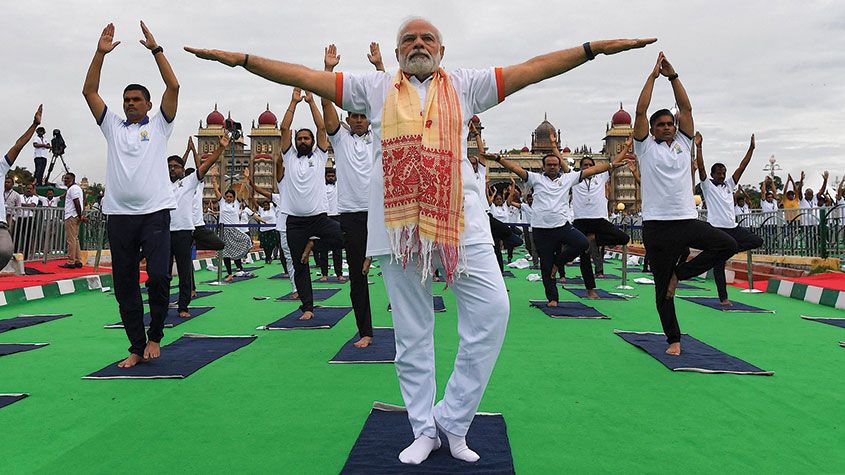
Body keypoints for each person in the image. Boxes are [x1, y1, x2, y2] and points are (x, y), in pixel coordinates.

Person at [186, 18, 653, 464]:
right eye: (409, 39)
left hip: (461, 226)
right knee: (412, 334)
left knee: (493, 312)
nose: (418, 45)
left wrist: (592, 50)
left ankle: (452, 418)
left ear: (442, 50)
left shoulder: (466, 85)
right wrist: (243, 60)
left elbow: (531, 70)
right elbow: (308, 78)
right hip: (397, 229)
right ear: (396, 53)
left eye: (428, 38)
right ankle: (423, 431)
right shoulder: (376, 89)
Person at [83, 22, 179, 368]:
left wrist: (157, 50)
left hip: (155, 212)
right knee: (124, 283)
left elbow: (174, 85)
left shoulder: (159, 125)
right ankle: (136, 346)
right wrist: (100, 54)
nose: (130, 104)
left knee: (157, 276)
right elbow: (89, 91)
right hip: (119, 215)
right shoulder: (113, 126)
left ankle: (155, 336)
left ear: (148, 104)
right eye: (126, 100)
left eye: (137, 99)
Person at [634, 52, 737, 356]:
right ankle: (673, 339)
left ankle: (680, 274)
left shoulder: (684, 142)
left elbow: (687, 108)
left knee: (726, 245)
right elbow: (640, 111)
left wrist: (673, 76)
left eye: (670, 123)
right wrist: (652, 77)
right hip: (656, 225)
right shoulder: (645, 148)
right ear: (653, 130)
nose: (667, 127)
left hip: (686, 220)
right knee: (661, 292)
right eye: (661, 124)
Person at [493, 139, 633, 303]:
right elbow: (516, 169)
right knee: (545, 265)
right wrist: (499, 160)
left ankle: (558, 263)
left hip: (562, 227)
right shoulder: (536, 179)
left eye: (555, 164)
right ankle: (553, 298)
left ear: (559, 166)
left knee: (582, 243)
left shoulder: (568, 178)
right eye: (549, 165)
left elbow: (596, 169)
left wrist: (612, 164)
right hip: (541, 229)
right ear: (543, 167)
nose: (552, 167)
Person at [321, 43, 378, 347]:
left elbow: (390, 103)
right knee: (357, 276)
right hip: (353, 215)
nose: (358, 120)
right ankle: (365, 331)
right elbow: (328, 110)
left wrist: (379, 67)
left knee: (401, 273)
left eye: (362, 116)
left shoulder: (378, 136)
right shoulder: (340, 140)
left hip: (382, 213)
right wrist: (328, 72)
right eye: (353, 115)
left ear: (369, 118)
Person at [277, 87, 343, 320]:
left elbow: (322, 127)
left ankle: (314, 245)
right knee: (299, 264)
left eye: (307, 138)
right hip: (294, 222)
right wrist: (294, 102)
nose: (303, 141)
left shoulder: (319, 155)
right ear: (295, 141)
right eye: (300, 138)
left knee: (343, 237)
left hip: (319, 219)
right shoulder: (289, 156)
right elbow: (283, 128)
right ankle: (307, 307)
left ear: (313, 142)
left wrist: (312, 101)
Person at [695, 132, 762, 306]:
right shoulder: (707, 186)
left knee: (757, 240)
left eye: (723, 173)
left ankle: (729, 250)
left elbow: (742, 166)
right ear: (713, 174)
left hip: (732, 228)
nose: (722, 176)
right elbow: (701, 168)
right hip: (717, 229)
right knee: (718, 266)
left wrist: (751, 149)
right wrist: (699, 146)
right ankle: (723, 298)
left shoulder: (729, 185)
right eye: (718, 173)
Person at [168, 133, 227, 317]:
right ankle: (161, 304)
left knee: (185, 271)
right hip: (164, 233)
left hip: (184, 232)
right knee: (163, 273)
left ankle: (183, 307)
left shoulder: (189, 182)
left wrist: (221, 148)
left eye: (175, 167)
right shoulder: (160, 184)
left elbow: (205, 164)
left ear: (182, 169)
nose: (171, 170)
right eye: (169, 167)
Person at [571, 153, 631, 298]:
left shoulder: (601, 177)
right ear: (580, 169)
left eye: (591, 165)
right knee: (584, 258)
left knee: (623, 238)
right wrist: (554, 146)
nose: (588, 167)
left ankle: (594, 238)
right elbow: (561, 161)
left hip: (599, 219)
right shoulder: (574, 178)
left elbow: (614, 162)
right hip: (581, 221)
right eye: (585, 165)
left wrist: (627, 148)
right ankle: (590, 290)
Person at [0, 105, 42, 270]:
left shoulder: (1, 167)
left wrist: (34, 125)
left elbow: (18, 145)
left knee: (5, 249)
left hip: (1, 227)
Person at [250, 172, 298, 297]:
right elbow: (261, 191)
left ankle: (302, 287)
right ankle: (295, 289)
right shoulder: (279, 197)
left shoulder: (300, 194)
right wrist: (251, 183)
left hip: (299, 229)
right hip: (283, 230)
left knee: (300, 258)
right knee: (289, 258)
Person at [213, 183, 252, 282]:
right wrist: (213, 180)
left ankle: (240, 264)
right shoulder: (222, 203)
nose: (228, 198)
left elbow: (241, 190)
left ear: (234, 198)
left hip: (235, 230)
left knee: (247, 240)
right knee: (225, 253)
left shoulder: (237, 204)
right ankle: (229, 274)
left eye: (230, 197)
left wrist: (245, 179)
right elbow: (216, 191)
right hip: (224, 231)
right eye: (227, 197)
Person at [314, 167, 344, 282]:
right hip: (324, 217)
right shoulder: (320, 187)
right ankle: (324, 274)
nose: (331, 178)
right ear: (325, 177)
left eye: (332, 176)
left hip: (337, 216)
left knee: (338, 248)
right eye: (328, 176)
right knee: (323, 248)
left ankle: (339, 274)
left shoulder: (339, 186)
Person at [59, 173, 85, 268]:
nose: (65, 180)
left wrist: (79, 215)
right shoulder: (75, 188)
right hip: (75, 215)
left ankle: (71, 261)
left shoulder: (73, 189)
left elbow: (76, 201)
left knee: (71, 240)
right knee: (75, 239)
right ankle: (78, 260)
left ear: (73, 179)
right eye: (64, 178)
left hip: (71, 216)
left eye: (67, 178)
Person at [18, 183, 40, 260]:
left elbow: (32, 206)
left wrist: (21, 204)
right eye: (27, 188)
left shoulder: (35, 197)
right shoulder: (19, 196)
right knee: (17, 237)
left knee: (28, 238)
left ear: (33, 190)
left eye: (30, 188)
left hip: (29, 219)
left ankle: (26, 256)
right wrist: (26, 205)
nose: (29, 190)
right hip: (19, 218)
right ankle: (15, 254)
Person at [256, 200, 278, 264]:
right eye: (264, 205)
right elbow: (254, 202)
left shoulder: (273, 209)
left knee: (271, 244)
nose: (265, 206)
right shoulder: (261, 210)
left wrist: (272, 196)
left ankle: (268, 257)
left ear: (269, 205)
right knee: (265, 245)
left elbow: (275, 201)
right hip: (263, 230)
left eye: (267, 205)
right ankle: (268, 257)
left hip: (272, 229)